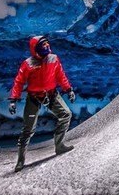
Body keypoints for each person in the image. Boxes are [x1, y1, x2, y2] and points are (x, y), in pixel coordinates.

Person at [8, 34, 76, 172]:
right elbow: (19, 82)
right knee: (28, 129)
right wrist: (13, 100)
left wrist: (68, 90)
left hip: (51, 94)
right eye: (43, 45)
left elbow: (60, 75)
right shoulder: (28, 64)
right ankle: (20, 160)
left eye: (47, 44)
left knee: (66, 114)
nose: (46, 46)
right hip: (34, 97)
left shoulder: (54, 59)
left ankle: (59, 145)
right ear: (36, 48)